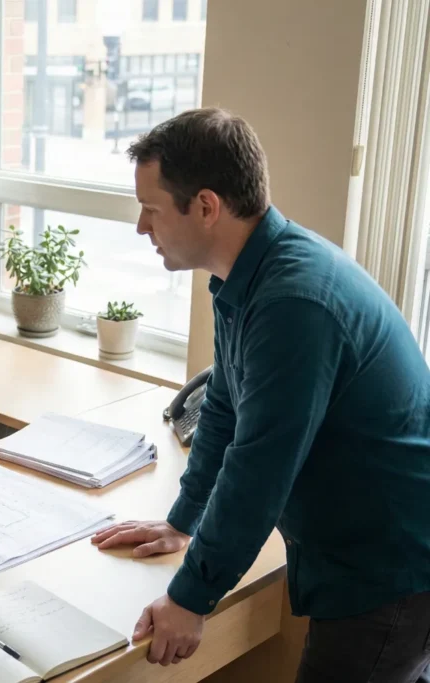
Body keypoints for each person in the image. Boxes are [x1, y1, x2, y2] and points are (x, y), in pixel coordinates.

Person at [90, 108, 430, 682]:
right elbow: (223, 408)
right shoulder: (245, 277)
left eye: (150, 208)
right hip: (360, 550)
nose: (141, 227)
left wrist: (192, 597)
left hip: (386, 569)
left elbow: (258, 470)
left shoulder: (294, 302)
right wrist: (183, 520)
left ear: (205, 206)